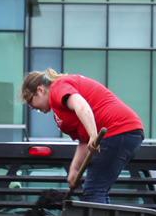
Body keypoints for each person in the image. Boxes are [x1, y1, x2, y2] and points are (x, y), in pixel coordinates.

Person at [19, 69, 144, 203]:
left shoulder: (58, 87)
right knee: (98, 190)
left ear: (40, 90)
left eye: (30, 101)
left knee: (94, 191)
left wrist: (93, 135)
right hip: (127, 134)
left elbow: (81, 104)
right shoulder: (59, 111)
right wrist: (73, 170)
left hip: (117, 131)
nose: (31, 107)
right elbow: (84, 142)